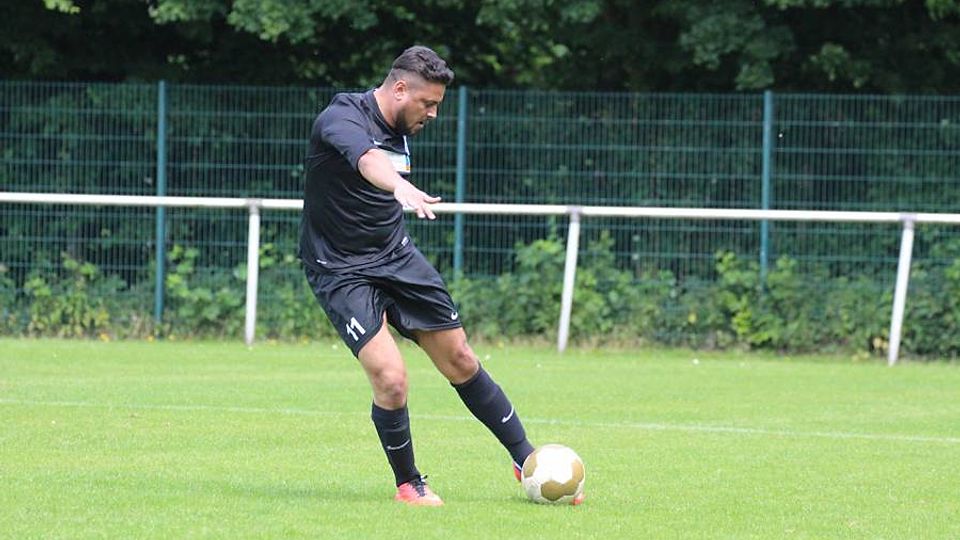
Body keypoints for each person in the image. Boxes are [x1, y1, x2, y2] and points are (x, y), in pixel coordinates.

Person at [299, 46, 536, 506]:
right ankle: (409, 483)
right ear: (400, 89)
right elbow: (366, 159)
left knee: (460, 358)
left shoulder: (403, 124)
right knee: (391, 377)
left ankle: (526, 459)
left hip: (396, 255)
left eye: (437, 105)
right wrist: (399, 185)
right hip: (340, 268)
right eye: (427, 103)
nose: (432, 114)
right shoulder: (341, 117)